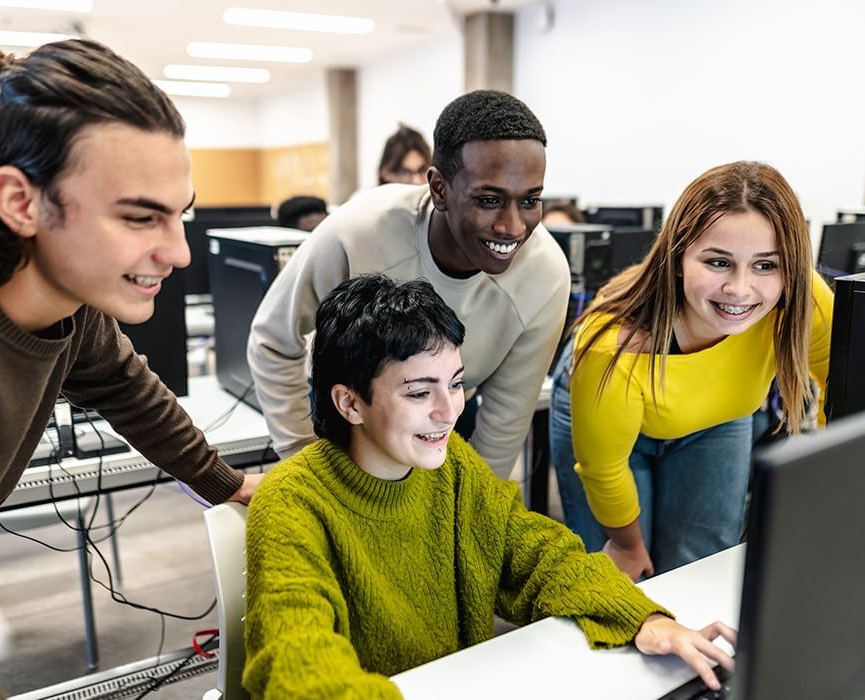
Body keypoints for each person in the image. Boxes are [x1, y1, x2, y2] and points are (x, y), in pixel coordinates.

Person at [243, 274, 736, 697]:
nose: (448, 410)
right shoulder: (292, 501)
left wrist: (644, 621)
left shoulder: (450, 466)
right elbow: (297, 663)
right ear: (350, 404)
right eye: (419, 392)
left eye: (455, 383)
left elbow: (539, 555)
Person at [0, 39, 260, 539]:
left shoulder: (71, 301)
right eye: (139, 217)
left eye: (181, 214)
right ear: (20, 202)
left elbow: (123, 386)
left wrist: (229, 485)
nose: (180, 254)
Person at [247, 90, 571, 478]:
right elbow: (272, 341)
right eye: (488, 200)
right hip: (347, 424)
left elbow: (504, 423)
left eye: (530, 200)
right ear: (439, 189)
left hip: (448, 422)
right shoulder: (359, 231)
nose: (513, 227)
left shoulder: (545, 276)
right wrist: (304, 462)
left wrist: (468, 512)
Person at [550, 161, 833, 576]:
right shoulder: (615, 344)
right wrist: (628, 546)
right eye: (718, 262)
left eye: (766, 265)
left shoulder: (807, 302)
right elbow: (604, 469)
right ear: (678, 256)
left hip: (718, 420)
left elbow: (844, 392)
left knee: (700, 572)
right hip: (613, 432)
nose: (739, 289)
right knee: (619, 583)